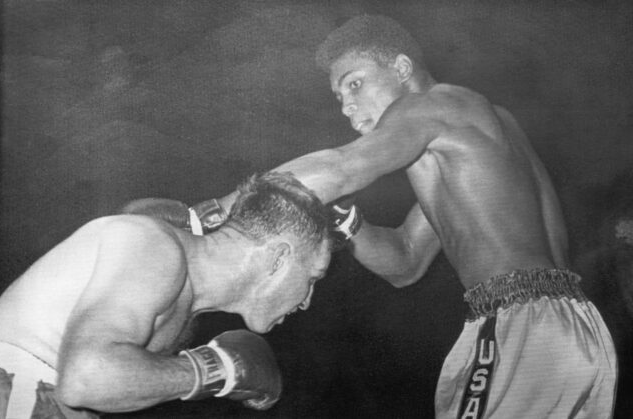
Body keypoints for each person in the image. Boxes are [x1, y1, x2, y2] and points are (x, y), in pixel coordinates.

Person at [217, 14, 618, 418]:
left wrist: (220, 211)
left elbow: (343, 168)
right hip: (575, 329)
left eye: (354, 83)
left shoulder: (433, 105)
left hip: (523, 328)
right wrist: (344, 219)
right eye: (339, 98)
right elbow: (405, 261)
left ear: (402, 69)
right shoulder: (475, 133)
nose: (347, 106)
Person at [0, 171, 332, 418]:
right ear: (279, 258)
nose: (307, 300)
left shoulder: (183, 300)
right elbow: (86, 378)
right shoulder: (155, 246)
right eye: (313, 278)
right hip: (13, 388)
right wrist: (218, 369)